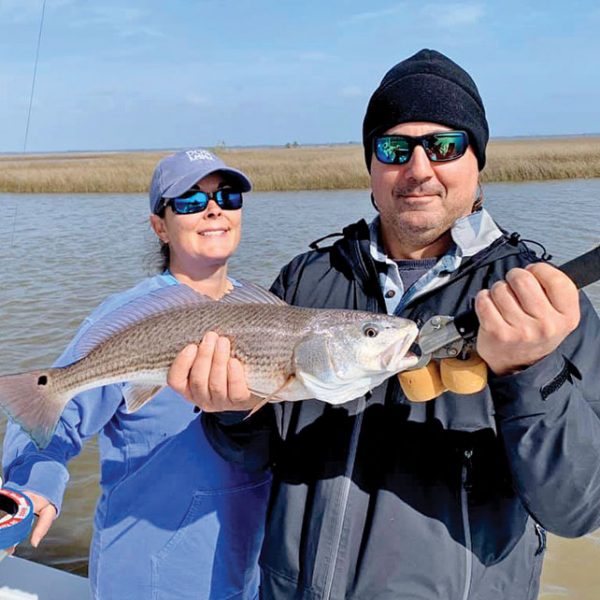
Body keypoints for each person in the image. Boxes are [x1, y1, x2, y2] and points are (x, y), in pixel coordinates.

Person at [168, 50, 600, 599]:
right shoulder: (305, 281)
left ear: (478, 161)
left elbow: (579, 508)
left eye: (445, 146)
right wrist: (231, 415)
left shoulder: (541, 301)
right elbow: (252, 458)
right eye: (395, 148)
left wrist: (529, 372)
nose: (419, 169)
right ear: (371, 165)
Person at [2, 149, 271, 600]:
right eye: (188, 201)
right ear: (160, 226)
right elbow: (49, 410)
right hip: (150, 572)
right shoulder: (127, 319)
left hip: (246, 571)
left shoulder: (266, 308)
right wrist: (33, 486)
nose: (212, 209)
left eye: (227, 196)